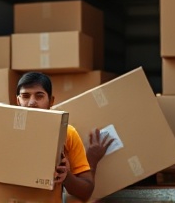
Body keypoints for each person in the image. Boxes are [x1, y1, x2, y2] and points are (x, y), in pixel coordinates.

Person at [15, 72, 113, 202]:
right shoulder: (4, 132)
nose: (32, 102)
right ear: (18, 101)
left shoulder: (67, 134)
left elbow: (86, 191)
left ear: (51, 101)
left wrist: (66, 176)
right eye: (25, 96)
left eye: (39, 96)